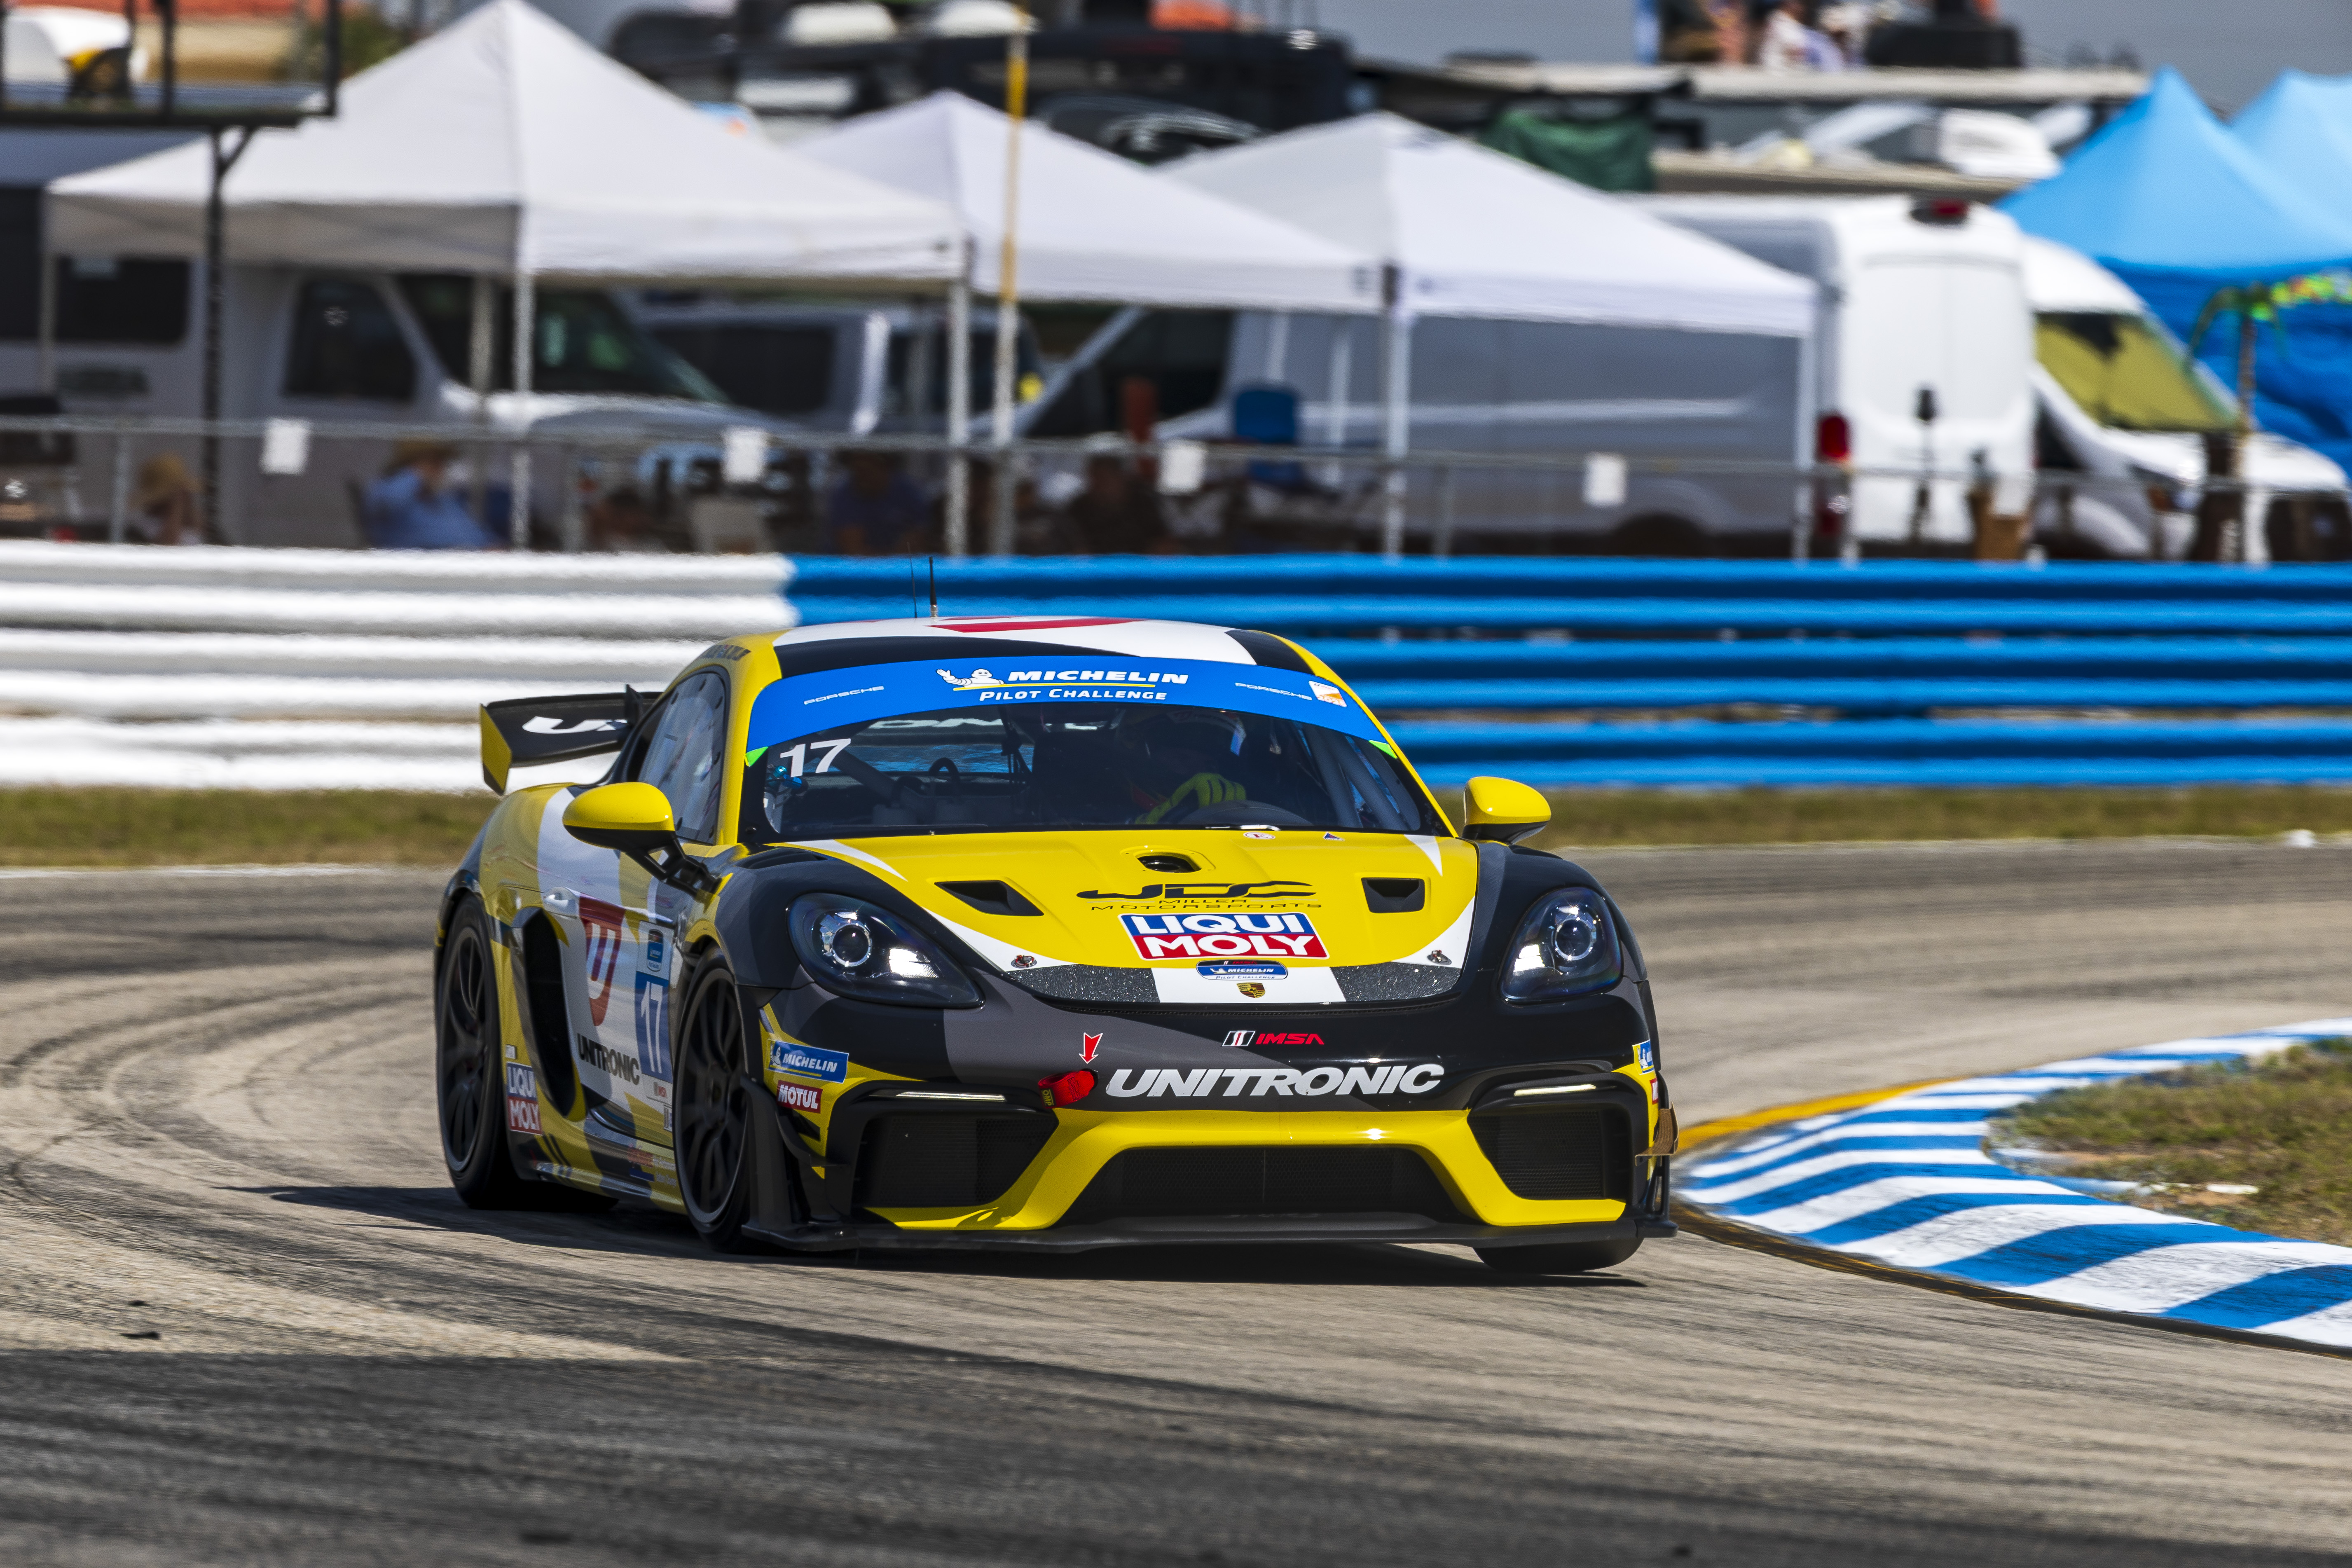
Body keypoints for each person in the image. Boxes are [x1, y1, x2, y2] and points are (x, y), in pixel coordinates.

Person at [1117, 712, 1250, 826]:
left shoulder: (1257, 808)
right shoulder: (1105, 804)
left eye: (1209, 763)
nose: (1199, 769)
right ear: (1138, 753)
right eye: (1182, 758)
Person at [362, 440, 498, 550]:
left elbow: (472, 532)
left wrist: (492, 547)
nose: (441, 470)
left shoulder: (443, 499)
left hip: (471, 565)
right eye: (435, 463)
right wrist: (415, 475)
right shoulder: (387, 491)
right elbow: (389, 502)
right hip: (420, 572)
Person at [1062, 453, 1171, 555]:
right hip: (1095, 569)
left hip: (1140, 567)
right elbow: (1073, 547)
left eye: (1104, 479)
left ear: (1120, 477)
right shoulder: (1080, 508)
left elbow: (1163, 541)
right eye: (1094, 479)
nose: (1098, 485)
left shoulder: (1143, 502)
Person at [824, 450, 929, 555]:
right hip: (854, 569)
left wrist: (896, 562)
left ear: (886, 465)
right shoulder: (844, 496)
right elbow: (854, 551)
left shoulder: (907, 492)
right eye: (859, 469)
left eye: (871, 464)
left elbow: (918, 538)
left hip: (901, 567)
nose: (864, 474)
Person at [127, 452, 203, 545]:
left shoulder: (188, 524)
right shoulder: (144, 527)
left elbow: (202, 530)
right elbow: (168, 545)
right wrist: (177, 506)